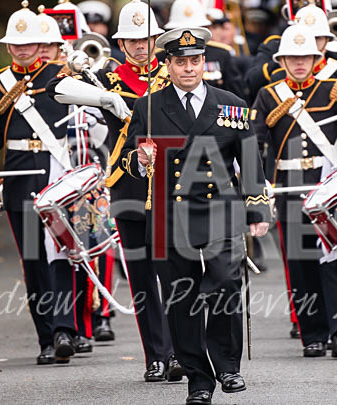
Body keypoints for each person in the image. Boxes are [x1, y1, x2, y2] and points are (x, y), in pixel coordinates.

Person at [120, 26, 271, 405]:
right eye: (180, 62)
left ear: (204, 62)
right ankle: (198, 381)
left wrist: (256, 207)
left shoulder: (230, 104)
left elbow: (249, 160)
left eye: (195, 61)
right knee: (181, 299)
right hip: (169, 215)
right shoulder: (148, 106)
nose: (188, 68)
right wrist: (140, 159)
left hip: (220, 209)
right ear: (167, 65)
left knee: (225, 284)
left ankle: (228, 367)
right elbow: (125, 160)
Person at [47, 0, 184, 382]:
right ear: (121, 43)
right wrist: (105, 98)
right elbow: (59, 89)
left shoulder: (174, 72)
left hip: (170, 186)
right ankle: (155, 357)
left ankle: (179, 353)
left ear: (156, 40)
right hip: (128, 186)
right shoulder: (108, 76)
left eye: (146, 39)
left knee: (172, 274)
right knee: (141, 277)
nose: (140, 46)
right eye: (132, 40)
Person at [0, 0, 79, 366]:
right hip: (20, 178)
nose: (23, 49)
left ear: (41, 43)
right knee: (34, 259)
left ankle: (65, 330)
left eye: (29, 43)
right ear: (8, 46)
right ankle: (46, 337)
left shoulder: (62, 75)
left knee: (62, 252)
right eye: (16, 44)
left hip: (59, 173)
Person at [251, 24, 337, 360]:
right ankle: (313, 335)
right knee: (301, 264)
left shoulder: (335, 89)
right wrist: (256, 182)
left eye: (305, 57)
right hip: (290, 190)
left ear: (315, 57)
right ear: (282, 61)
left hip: (329, 189)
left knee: (336, 260)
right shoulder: (269, 95)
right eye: (293, 57)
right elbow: (254, 143)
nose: (299, 63)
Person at [166, 0, 244, 98]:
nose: (187, 36)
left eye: (195, 29)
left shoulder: (221, 54)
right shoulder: (160, 56)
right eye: (181, 30)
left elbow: (236, 99)